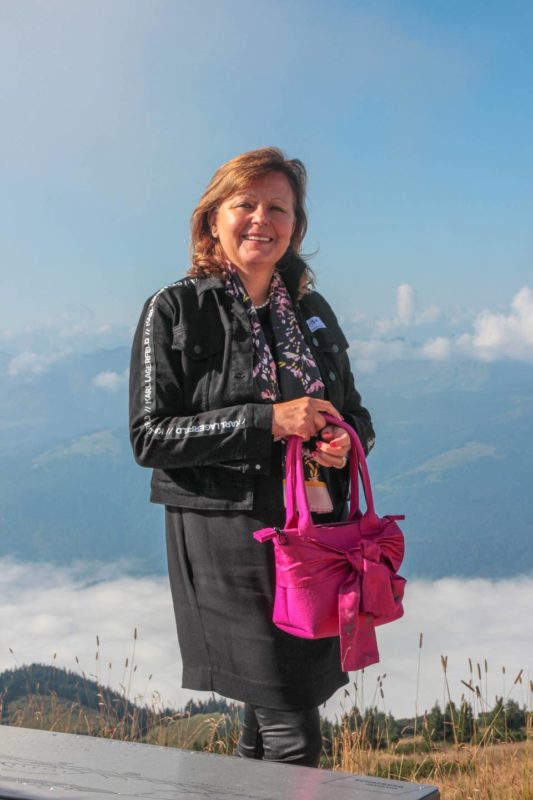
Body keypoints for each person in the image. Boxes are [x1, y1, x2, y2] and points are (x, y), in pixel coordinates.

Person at [129, 147, 375, 767]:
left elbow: (359, 417)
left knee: (266, 721)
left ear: (295, 226)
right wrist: (270, 421)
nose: (262, 218)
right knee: (293, 725)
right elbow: (150, 437)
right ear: (214, 219)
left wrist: (344, 442)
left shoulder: (312, 315)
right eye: (245, 204)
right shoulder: (174, 308)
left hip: (311, 531)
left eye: (278, 207)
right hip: (225, 532)